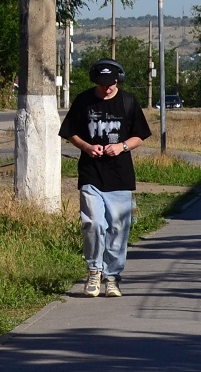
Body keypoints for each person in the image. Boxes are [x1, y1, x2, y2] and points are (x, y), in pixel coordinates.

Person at [58, 58, 151, 297]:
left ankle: (112, 277)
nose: (106, 88)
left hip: (120, 175)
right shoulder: (84, 101)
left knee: (119, 228)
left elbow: (140, 135)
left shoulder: (128, 101)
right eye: (101, 84)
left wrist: (122, 146)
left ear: (118, 79)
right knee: (93, 223)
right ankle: (94, 271)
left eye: (110, 83)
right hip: (91, 173)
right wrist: (87, 147)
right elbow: (70, 133)